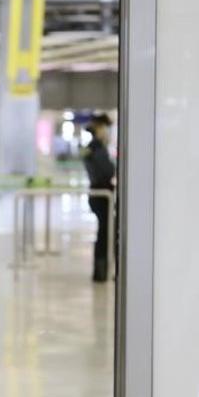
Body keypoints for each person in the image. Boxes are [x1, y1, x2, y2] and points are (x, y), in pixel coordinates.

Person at [82, 113, 116, 282]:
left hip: (98, 194)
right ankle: (101, 272)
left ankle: (100, 271)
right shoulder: (98, 148)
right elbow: (108, 171)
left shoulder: (91, 147)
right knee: (105, 233)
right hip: (102, 195)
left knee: (103, 232)